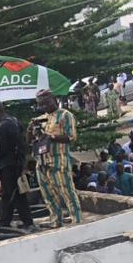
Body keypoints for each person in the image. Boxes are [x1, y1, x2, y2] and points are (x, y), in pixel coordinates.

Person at [30, 88, 82, 227]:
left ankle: (76, 219)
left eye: (45, 103)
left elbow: (71, 137)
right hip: (42, 161)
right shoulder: (40, 119)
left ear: (53, 99)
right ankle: (55, 220)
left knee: (67, 191)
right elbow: (31, 140)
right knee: (48, 194)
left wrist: (51, 137)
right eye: (40, 104)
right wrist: (31, 130)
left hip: (59, 161)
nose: (43, 107)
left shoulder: (65, 115)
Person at [0, 100, 33, 229]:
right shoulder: (14, 121)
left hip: (8, 164)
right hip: (18, 161)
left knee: (12, 194)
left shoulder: (3, 126)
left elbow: (2, 148)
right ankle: (7, 222)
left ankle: (21, 222)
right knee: (11, 194)